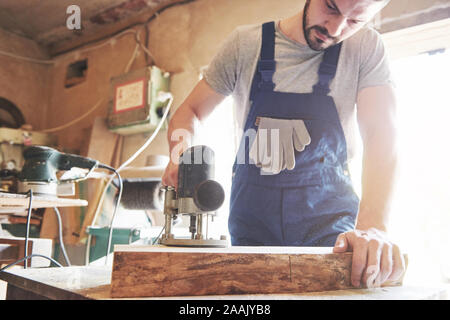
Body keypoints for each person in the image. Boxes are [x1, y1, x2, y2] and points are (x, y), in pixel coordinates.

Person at [162, 0, 405, 288]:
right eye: (331, 7)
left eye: (355, 21)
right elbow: (188, 114)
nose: (336, 28)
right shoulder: (245, 45)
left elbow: (381, 135)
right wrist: (181, 157)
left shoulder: (365, 48)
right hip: (252, 226)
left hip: (331, 230)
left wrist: (374, 228)